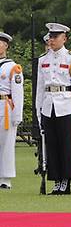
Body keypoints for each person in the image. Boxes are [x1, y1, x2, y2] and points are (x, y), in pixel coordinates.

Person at [35, 22, 71, 195]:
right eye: (50, 36)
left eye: (56, 37)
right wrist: (38, 110)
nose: (52, 40)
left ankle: (66, 180)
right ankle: (56, 180)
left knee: (66, 145)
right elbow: (40, 88)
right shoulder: (43, 59)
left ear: (64, 38)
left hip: (65, 105)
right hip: (48, 105)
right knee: (52, 145)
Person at [0, 32, 24, 190]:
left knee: (6, 143)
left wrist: (17, 115)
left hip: (5, 105)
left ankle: (5, 178)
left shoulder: (12, 67)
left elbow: (18, 92)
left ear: (6, 46)